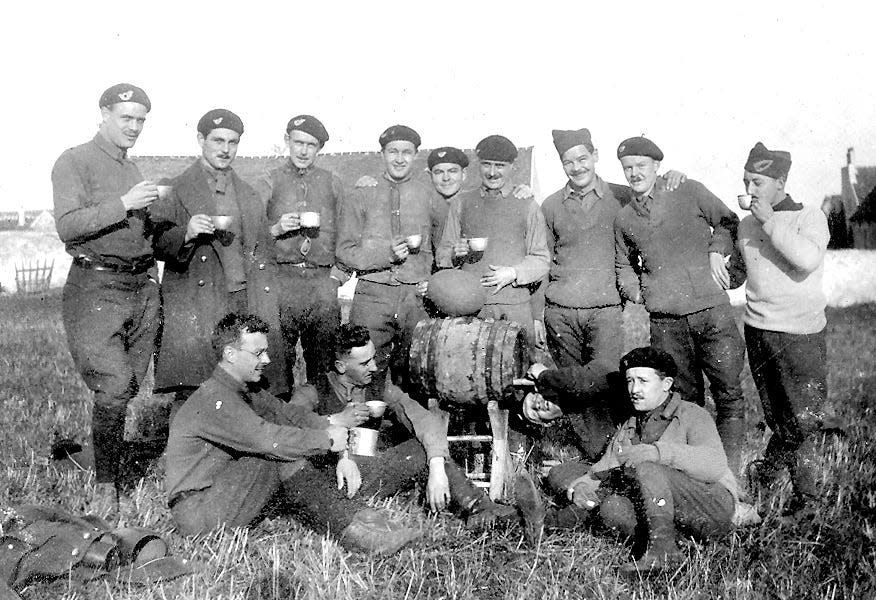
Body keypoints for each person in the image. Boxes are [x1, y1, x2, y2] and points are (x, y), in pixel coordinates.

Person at [165, 313, 418, 554]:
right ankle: (357, 534)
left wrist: (331, 430)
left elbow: (290, 415)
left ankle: (363, 519)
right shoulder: (216, 398)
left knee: (291, 449)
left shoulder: (245, 390)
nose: (266, 360)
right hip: (197, 513)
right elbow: (268, 439)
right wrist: (327, 440)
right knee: (280, 455)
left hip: (225, 493)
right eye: (258, 353)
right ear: (230, 354)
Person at [516, 347, 740, 574]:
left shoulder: (691, 414)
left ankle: (662, 553)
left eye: (643, 381)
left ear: (667, 383)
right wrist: (583, 485)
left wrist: (658, 453)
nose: (634, 389)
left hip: (713, 507)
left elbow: (715, 464)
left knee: (646, 467)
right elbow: (605, 470)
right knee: (611, 509)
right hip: (674, 515)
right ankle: (677, 546)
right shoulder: (632, 425)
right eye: (630, 381)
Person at [286, 323, 516, 528]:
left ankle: (481, 509)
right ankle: (480, 511)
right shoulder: (313, 391)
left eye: (374, 358)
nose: (375, 367)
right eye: (365, 363)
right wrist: (333, 421)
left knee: (421, 446)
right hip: (334, 481)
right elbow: (288, 422)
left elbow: (420, 417)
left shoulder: (378, 387)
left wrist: (436, 465)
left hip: (372, 471)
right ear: (341, 366)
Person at [51, 83, 161, 497]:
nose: (135, 127)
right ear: (104, 113)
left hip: (140, 286)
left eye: (141, 120)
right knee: (113, 385)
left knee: (129, 386)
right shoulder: (74, 161)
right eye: (126, 118)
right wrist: (125, 203)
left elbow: (138, 231)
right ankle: (106, 486)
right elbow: (68, 225)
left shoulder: (132, 169)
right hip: (96, 286)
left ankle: (99, 457)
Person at [613, 136, 747, 474]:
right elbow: (622, 265)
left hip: (711, 312)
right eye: (628, 168)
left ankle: (727, 476)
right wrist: (640, 292)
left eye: (641, 166)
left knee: (728, 395)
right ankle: (694, 473)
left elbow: (728, 220)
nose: (634, 173)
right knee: (685, 402)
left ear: (657, 166)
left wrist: (717, 248)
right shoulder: (625, 218)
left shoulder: (687, 190)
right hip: (666, 324)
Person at [151, 109, 286, 411]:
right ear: (201, 140)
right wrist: (185, 233)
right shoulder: (174, 187)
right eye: (218, 140)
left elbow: (262, 252)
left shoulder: (249, 193)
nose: (226, 149)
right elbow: (156, 242)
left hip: (243, 299)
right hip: (199, 300)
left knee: (245, 384)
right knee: (195, 388)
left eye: (233, 142)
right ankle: (184, 453)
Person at [735, 142, 831, 518]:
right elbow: (746, 272)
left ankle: (810, 501)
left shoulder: (809, 217)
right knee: (777, 415)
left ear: (780, 182)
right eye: (746, 181)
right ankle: (768, 476)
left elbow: (805, 260)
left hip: (800, 334)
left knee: (803, 417)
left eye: (758, 181)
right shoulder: (746, 224)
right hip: (758, 330)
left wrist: (770, 221)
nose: (750, 189)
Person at [335, 124, 434, 402]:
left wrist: (432, 280)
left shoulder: (429, 195)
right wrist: (383, 256)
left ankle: (410, 438)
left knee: (417, 367)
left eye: (406, 152)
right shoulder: (362, 193)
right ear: (382, 154)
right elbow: (345, 251)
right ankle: (363, 435)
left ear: (416, 155)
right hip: (372, 294)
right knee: (364, 367)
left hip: (416, 296)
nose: (399, 158)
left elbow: (444, 244)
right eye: (393, 151)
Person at [436, 134, 550, 351]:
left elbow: (541, 259)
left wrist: (513, 273)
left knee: (517, 373)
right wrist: (453, 253)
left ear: (512, 167)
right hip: (471, 307)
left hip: (514, 305)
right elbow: (442, 255)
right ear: (478, 165)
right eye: (486, 164)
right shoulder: (463, 202)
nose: (492, 172)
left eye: (500, 166)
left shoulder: (527, 205)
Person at [264, 114, 343, 388]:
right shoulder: (270, 180)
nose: (303, 150)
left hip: (322, 285)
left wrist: (338, 276)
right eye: (298, 142)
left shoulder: (332, 182)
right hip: (282, 282)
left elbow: (348, 230)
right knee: (276, 365)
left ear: (319, 148)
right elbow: (249, 231)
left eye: (311, 145)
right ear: (287, 141)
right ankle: (278, 426)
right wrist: (275, 228)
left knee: (325, 366)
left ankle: (324, 427)